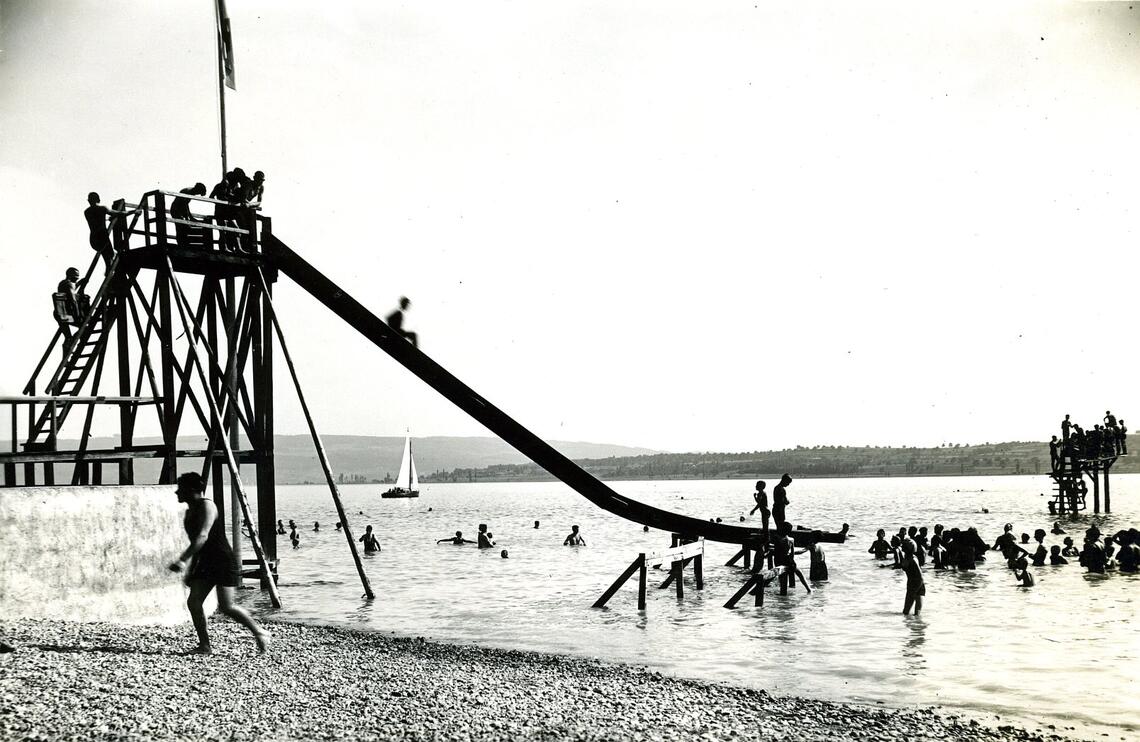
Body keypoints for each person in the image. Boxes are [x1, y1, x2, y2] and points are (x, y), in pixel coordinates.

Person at [167, 472, 269, 654]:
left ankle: (259, 632)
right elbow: (196, 543)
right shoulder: (189, 512)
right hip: (205, 561)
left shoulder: (208, 506)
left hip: (222, 560)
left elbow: (203, 536)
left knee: (226, 606)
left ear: (191, 490)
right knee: (194, 602)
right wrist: (191, 569)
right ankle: (205, 646)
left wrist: (182, 560)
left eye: (180, 489)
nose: (177, 493)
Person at [84, 192, 128, 268]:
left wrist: (107, 218)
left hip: (93, 239)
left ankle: (108, 269)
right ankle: (111, 269)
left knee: (106, 256)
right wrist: (134, 211)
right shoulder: (102, 208)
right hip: (102, 236)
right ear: (98, 200)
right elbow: (120, 213)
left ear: (88, 200)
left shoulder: (87, 212)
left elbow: (96, 219)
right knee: (112, 254)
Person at [171, 183, 208, 248]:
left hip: (180, 210)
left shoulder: (192, 192)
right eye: (199, 192)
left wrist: (190, 216)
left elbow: (186, 205)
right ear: (197, 189)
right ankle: (181, 244)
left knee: (184, 227)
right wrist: (187, 216)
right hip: (176, 210)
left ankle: (184, 243)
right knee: (181, 227)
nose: (198, 194)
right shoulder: (188, 191)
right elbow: (183, 205)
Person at [900, 539, 924, 615]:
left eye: (904, 545)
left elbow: (919, 574)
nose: (902, 546)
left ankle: (909, 623)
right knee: (917, 611)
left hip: (914, 583)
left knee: (906, 611)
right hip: (918, 582)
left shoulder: (911, 559)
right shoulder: (912, 557)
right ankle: (916, 622)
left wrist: (916, 586)